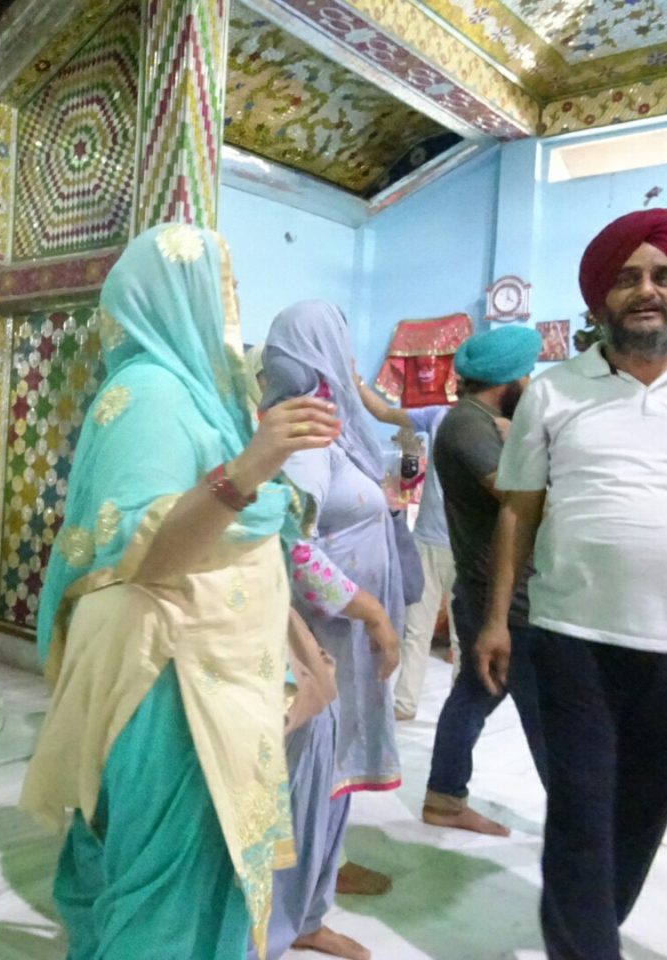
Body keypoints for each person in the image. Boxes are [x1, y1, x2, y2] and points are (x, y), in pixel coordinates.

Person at [19, 224, 341, 960]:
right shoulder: (150, 395)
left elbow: (244, 547)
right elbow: (153, 554)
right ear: (177, 298)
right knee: (167, 892)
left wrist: (298, 646)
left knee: (173, 874)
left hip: (199, 663)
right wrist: (252, 467)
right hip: (171, 673)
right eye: (222, 291)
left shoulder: (202, 398)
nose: (232, 310)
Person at [478, 208, 667, 960]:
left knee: (640, 815)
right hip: (573, 637)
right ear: (602, 297)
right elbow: (518, 512)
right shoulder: (554, 392)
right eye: (627, 278)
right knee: (581, 816)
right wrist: (496, 619)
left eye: (662, 276)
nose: (645, 290)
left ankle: (590, 932)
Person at [261, 301, 405, 913]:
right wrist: (372, 612)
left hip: (340, 633)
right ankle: (297, 910)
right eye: (341, 346)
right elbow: (294, 549)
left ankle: (315, 891)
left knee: (332, 768)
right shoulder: (307, 430)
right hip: (325, 635)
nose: (350, 362)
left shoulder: (330, 427)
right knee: (313, 770)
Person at [420, 325, 548, 837]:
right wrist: (529, 445)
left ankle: (445, 797)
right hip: (503, 596)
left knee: (477, 692)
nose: (531, 384)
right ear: (508, 380)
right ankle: (581, 821)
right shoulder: (469, 426)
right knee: (546, 707)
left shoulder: (482, 421)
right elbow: (522, 502)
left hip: (500, 589)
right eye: (527, 374)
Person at [354, 375, 457, 719]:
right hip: (430, 541)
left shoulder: (496, 424)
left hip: (466, 546)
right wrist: (357, 384)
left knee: (460, 635)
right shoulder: (437, 416)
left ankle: (458, 707)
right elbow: (384, 413)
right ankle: (406, 703)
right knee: (417, 628)